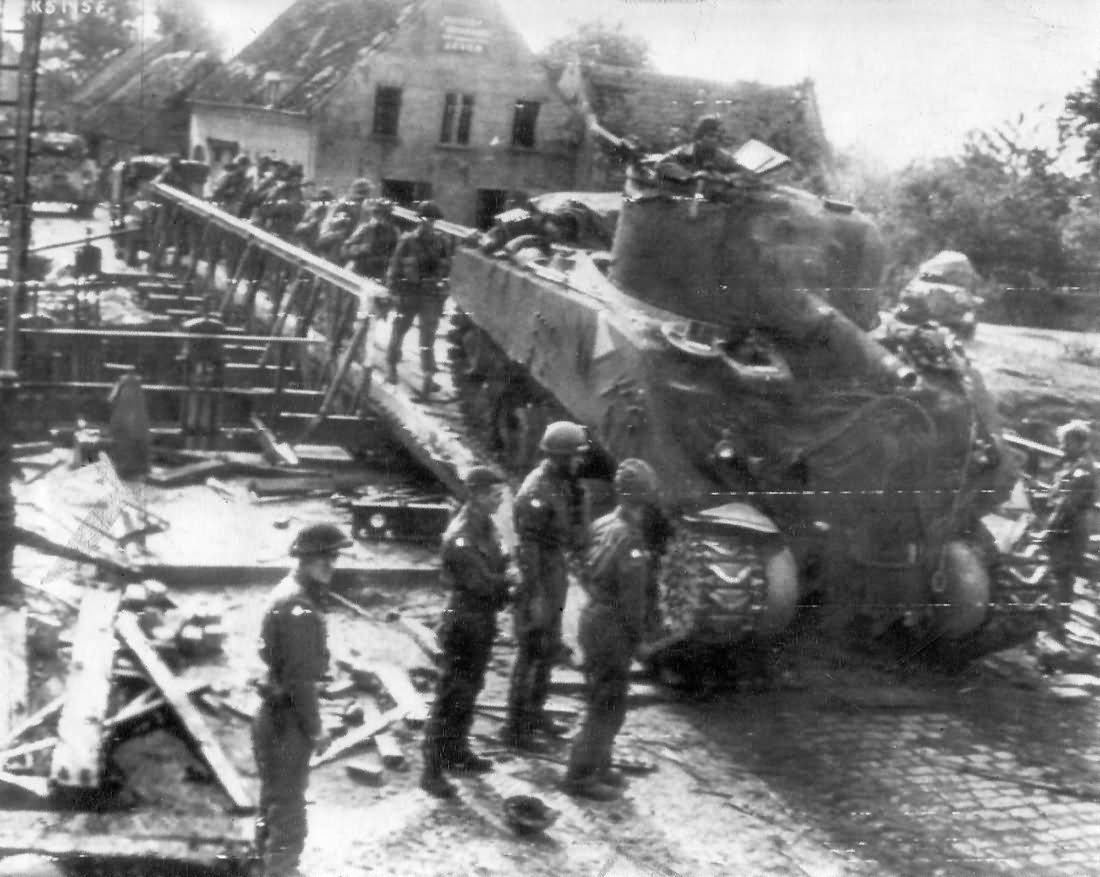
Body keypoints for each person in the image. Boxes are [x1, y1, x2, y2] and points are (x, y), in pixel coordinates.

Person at [253, 523, 351, 877]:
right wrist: (316, 729)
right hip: (286, 722)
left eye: (334, 557)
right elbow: (300, 682)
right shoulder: (300, 608)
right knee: (290, 816)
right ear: (307, 558)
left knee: (273, 802)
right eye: (325, 558)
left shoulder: (290, 591)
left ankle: (261, 866)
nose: (332, 565)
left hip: (273, 716)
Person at [564, 459, 661, 801]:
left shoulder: (603, 523)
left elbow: (581, 564)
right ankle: (580, 775)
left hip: (594, 616)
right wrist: (640, 640)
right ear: (645, 497)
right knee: (607, 704)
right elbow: (633, 599)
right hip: (613, 626)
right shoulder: (630, 538)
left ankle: (599, 766)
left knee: (601, 696)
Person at [420, 466, 513, 799]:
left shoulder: (486, 526)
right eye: (493, 494)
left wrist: (504, 574)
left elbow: (500, 562)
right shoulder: (461, 536)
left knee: (470, 689)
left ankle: (457, 753)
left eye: (501, 493)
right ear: (475, 494)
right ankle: (431, 770)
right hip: (464, 619)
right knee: (451, 695)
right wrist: (510, 581)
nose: (499, 499)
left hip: (482, 618)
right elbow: (483, 583)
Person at [501, 421, 589, 752]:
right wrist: (535, 596)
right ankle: (515, 730)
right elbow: (528, 549)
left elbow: (572, 532)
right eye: (575, 456)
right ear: (559, 457)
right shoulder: (536, 492)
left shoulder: (564, 484)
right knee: (531, 653)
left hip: (553, 571)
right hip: (537, 576)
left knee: (547, 649)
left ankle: (534, 713)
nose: (580, 462)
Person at [384, 200, 452, 397]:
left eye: (432, 220)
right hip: (408, 292)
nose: (428, 223)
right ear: (419, 220)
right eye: (424, 219)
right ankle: (391, 365)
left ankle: (428, 376)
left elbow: (447, 269)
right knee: (399, 330)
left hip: (429, 294)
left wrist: (442, 289)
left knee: (427, 337)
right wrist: (393, 291)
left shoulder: (442, 242)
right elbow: (394, 267)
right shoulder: (407, 240)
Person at [1041, 420, 1098, 641]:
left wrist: (1048, 532)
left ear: (1078, 442)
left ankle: (1057, 628)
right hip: (1069, 526)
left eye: (1065, 443)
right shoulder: (1073, 464)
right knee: (1060, 575)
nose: (1061, 447)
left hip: (1070, 529)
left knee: (1062, 576)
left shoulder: (1082, 469)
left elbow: (1067, 505)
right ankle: (1055, 623)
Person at [657, 115, 739, 175]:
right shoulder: (684, 153)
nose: (715, 140)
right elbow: (661, 164)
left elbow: (743, 174)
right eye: (711, 136)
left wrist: (724, 178)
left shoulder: (725, 158)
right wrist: (690, 176)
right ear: (700, 136)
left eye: (718, 137)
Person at [342, 199, 400, 280]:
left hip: (378, 274)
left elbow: (395, 255)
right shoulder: (366, 229)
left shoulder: (393, 232)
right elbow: (345, 249)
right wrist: (360, 249)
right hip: (359, 271)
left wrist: (385, 260)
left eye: (387, 215)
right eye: (381, 213)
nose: (384, 218)